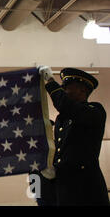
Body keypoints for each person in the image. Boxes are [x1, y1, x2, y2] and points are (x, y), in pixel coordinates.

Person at [38, 66, 109, 206]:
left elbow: (65, 105)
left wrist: (51, 82)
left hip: (86, 188)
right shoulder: (61, 118)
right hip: (64, 187)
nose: (63, 90)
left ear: (82, 90)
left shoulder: (95, 111)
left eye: (67, 87)